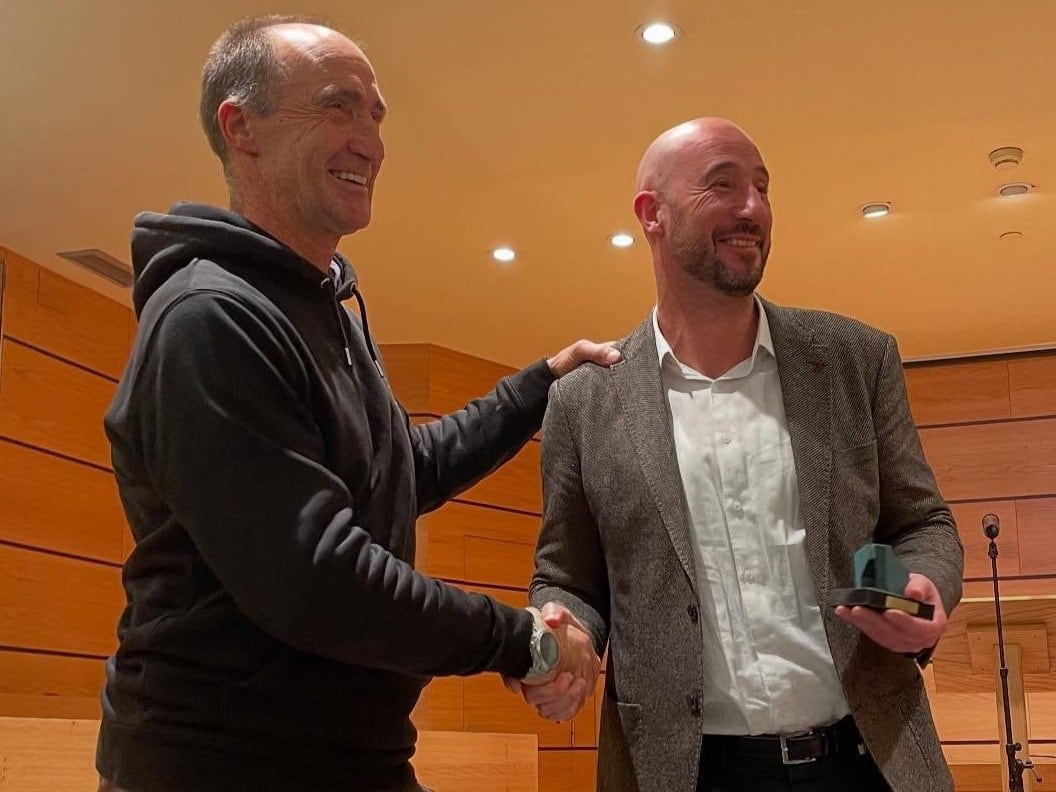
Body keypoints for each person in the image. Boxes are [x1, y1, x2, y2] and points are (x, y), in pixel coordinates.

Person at [97, 15, 608, 792]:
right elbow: (317, 579)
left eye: (375, 114)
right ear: (243, 128)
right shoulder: (211, 317)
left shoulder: (324, 312)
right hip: (220, 764)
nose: (370, 138)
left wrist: (539, 383)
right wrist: (522, 640)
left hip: (348, 758)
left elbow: (402, 467)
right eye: (337, 106)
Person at [519, 118, 964, 792]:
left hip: (869, 758)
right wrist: (562, 638)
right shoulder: (584, 402)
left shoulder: (854, 359)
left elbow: (923, 525)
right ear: (653, 215)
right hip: (685, 771)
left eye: (762, 187)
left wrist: (928, 587)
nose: (752, 208)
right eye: (721, 186)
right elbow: (570, 579)